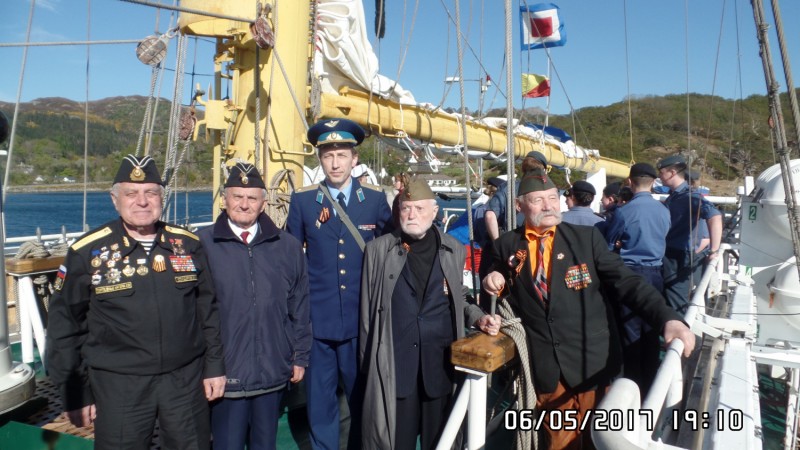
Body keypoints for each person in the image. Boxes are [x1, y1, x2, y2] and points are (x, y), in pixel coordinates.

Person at [482, 169, 695, 450]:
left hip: (594, 365)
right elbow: (496, 294)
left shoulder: (586, 239)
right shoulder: (505, 245)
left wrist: (668, 319)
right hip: (547, 370)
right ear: (519, 206)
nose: (548, 206)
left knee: (601, 440)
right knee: (559, 444)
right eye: (537, 200)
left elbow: (628, 282)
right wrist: (492, 283)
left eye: (552, 198)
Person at [46, 155, 226, 449]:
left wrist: (215, 366)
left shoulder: (187, 244)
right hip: (119, 384)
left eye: (150, 193)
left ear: (161, 198)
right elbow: (64, 327)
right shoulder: (88, 252)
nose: (142, 201)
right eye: (131, 193)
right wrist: (75, 392)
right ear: (115, 200)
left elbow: (207, 310)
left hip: (184, 379)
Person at [359, 179, 501, 450]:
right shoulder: (377, 251)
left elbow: (459, 295)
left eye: (419, 208)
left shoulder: (453, 249)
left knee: (440, 442)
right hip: (396, 368)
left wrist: (478, 317)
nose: (412, 215)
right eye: (406, 208)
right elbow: (367, 313)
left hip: (440, 366)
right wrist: (369, 367)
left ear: (435, 212)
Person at [286, 118, 393, 450]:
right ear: (320, 159)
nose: (335, 163)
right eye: (328, 155)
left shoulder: (374, 200)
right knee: (320, 405)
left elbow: (391, 253)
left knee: (363, 400)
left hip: (361, 322)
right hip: (318, 323)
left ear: (354, 158)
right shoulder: (304, 201)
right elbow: (292, 261)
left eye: (342, 155)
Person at [199, 163, 311, 450]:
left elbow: (299, 306)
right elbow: (195, 311)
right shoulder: (202, 245)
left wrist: (299, 356)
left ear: (263, 203)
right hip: (225, 376)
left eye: (252, 198)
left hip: (272, 373)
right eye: (237, 196)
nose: (244, 204)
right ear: (225, 199)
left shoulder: (287, 246)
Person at [601, 163, 671, 396]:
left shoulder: (624, 211)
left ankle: (631, 388)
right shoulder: (664, 210)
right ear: (653, 182)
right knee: (651, 330)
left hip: (629, 274)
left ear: (630, 182)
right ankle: (651, 386)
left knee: (629, 331)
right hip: (656, 274)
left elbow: (609, 243)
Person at [657, 155, 722, 314]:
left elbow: (715, 216)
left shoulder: (690, 197)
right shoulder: (675, 196)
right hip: (670, 255)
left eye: (661, 172)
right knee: (667, 297)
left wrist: (714, 250)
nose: (659, 176)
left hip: (678, 256)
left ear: (672, 173)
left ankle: (678, 327)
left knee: (676, 301)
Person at [484, 151, 547, 242]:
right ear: (543, 171)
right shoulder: (548, 191)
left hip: (510, 243)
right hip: (537, 244)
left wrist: (497, 244)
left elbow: (490, 216)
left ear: (523, 169)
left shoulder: (507, 187)